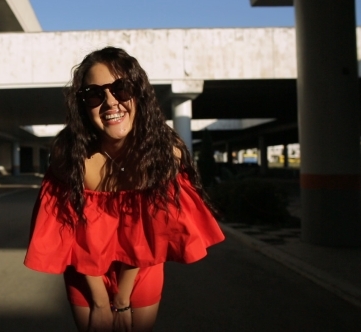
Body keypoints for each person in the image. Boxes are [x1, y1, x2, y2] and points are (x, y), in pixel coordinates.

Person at [24, 47, 224, 332]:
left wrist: (122, 299)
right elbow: (69, 230)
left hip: (141, 266)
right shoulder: (68, 156)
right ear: (83, 105)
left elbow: (146, 236)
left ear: (138, 93)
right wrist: (101, 303)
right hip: (84, 270)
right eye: (94, 94)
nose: (110, 102)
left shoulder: (164, 154)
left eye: (121, 89)